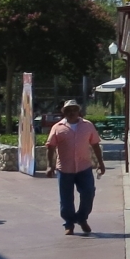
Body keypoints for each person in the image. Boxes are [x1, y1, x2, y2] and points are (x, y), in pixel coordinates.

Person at [45, 99, 105, 236]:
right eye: (68, 110)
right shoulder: (58, 127)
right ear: (64, 112)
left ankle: (82, 218)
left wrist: (101, 163)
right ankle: (69, 224)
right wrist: (50, 165)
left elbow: (95, 144)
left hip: (84, 167)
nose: (71, 112)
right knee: (66, 199)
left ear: (79, 111)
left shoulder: (88, 126)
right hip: (64, 169)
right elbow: (50, 147)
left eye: (74, 110)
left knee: (88, 193)